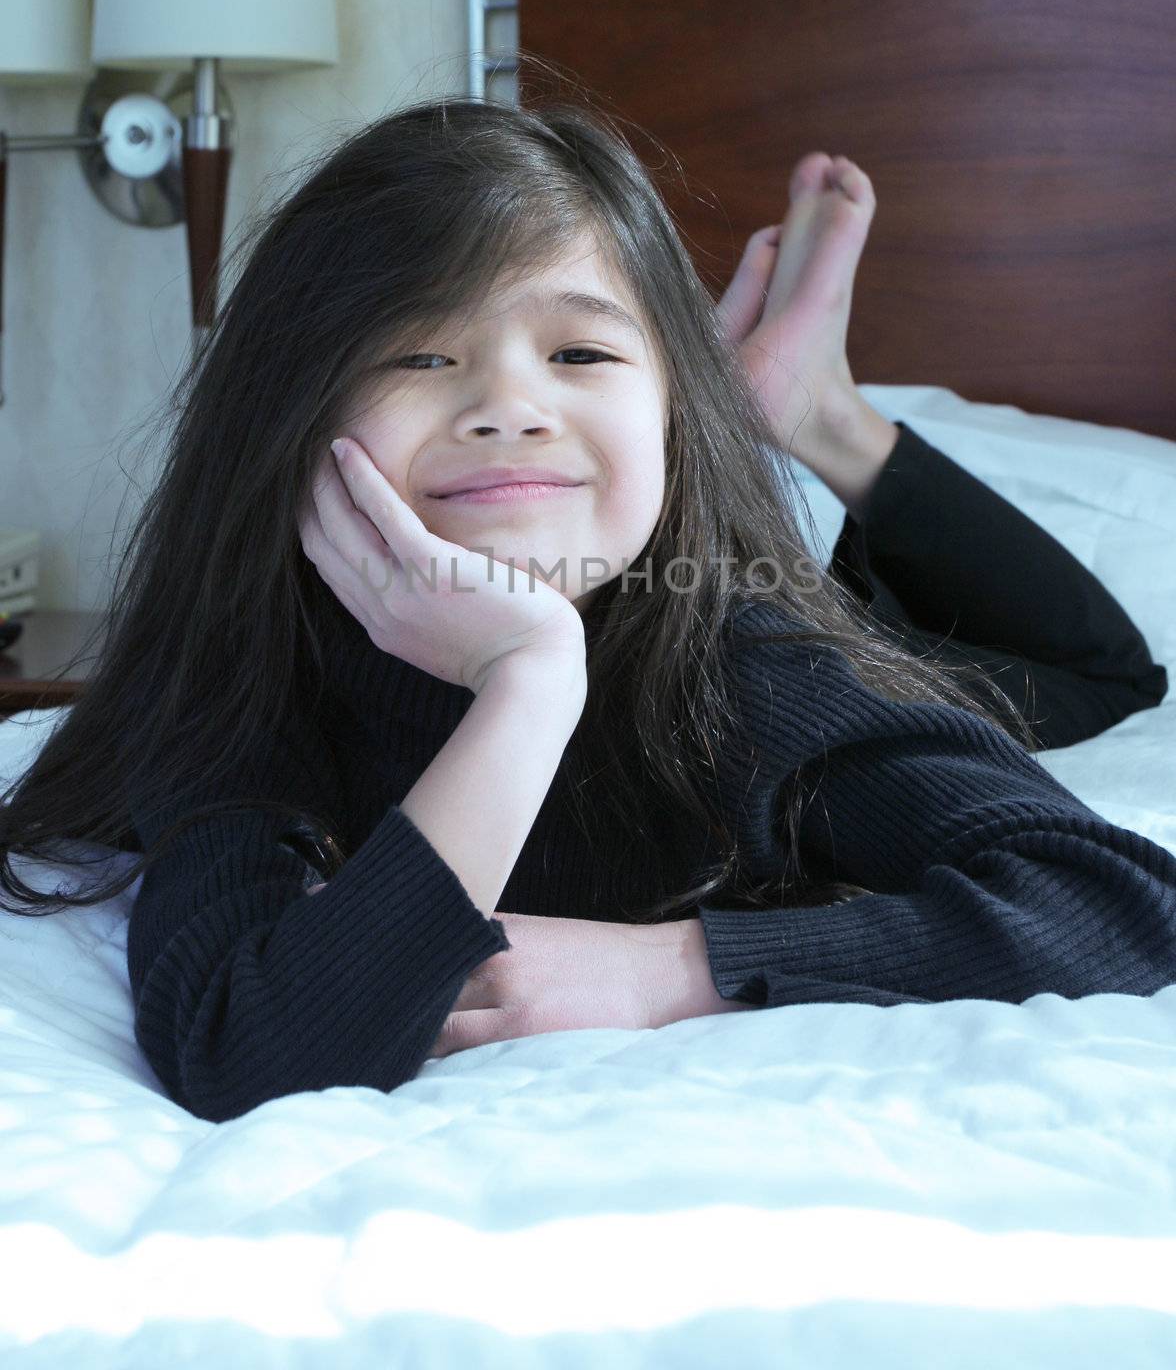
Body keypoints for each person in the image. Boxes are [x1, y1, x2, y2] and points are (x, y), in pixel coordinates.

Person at [0, 97, 1172, 1127]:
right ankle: (797, 396)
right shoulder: (247, 680)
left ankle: (818, 410)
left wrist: (679, 968)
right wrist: (528, 681)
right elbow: (248, 1049)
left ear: (673, 409)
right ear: (291, 413)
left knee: (1094, 678)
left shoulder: (747, 659)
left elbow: (1125, 900)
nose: (509, 405)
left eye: (579, 349)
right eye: (417, 353)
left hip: (726, 607)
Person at [711, 151, 1168, 751]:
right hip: (725, 675)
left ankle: (782, 414)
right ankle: (816, 416)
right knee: (1113, 677)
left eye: (584, 357)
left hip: (699, 635)